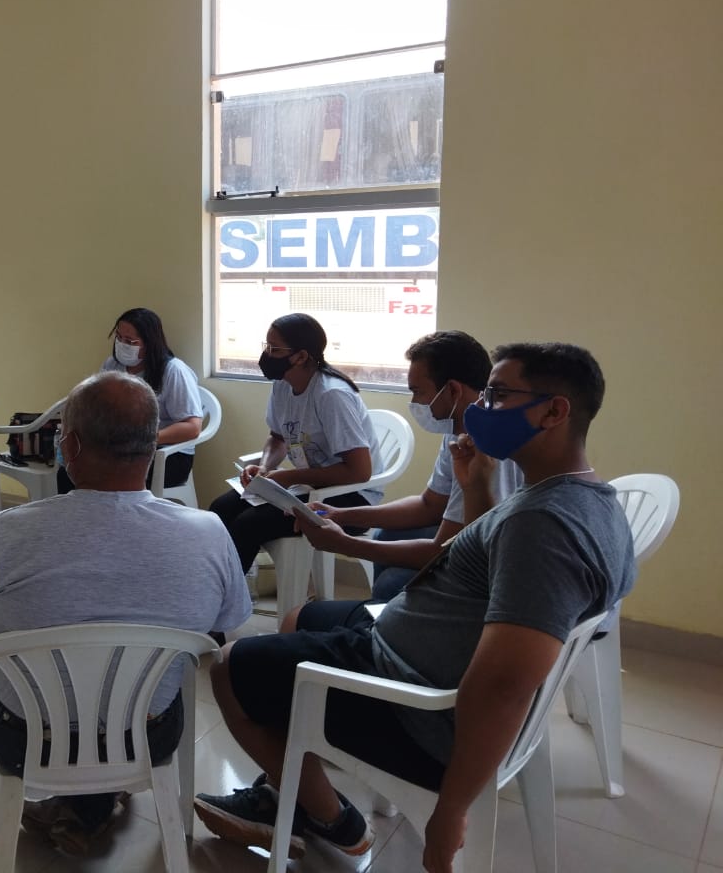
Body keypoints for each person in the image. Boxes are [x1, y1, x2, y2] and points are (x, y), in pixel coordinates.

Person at [194, 343, 636, 871]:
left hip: (414, 703)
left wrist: (450, 812)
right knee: (296, 624)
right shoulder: (585, 498)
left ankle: (332, 819)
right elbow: (487, 565)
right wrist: (479, 487)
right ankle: (288, 788)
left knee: (228, 669)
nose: (482, 408)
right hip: (406, 650)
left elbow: (503, 686)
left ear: (554, 411)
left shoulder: (544, 527)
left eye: (498, 396)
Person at [0, 372, 253, 855]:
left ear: (72, 447)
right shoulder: (208, 532)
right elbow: (224, 626)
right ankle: (94, 801)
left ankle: (78, 801)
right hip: (147, 735)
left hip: (25, 741)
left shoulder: (9, 531)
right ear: (152, 446)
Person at [294, 330, 525, 632]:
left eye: (418, 391)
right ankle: (383, 626)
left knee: (393, 582)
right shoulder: (458, 430)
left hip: (496, 566)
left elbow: (442, 549)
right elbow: (430, 504)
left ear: (453, 390)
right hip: (478, 546)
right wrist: (340, 514)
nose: (414, 402)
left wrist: (345, 544)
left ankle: (391, 636)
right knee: (385, 535)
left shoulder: (485, 446)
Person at [208, 312, 378, 578]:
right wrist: (265, 468)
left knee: (248, 525)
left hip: (351, 495)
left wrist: (288, 477)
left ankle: (226, 595)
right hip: (308, 487)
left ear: (301, 356)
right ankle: (212, 586)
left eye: (275, 349)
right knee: (221, 508)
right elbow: (277, 438)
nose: (267, 355)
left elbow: (359, 472)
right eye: (266, 346)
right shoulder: (283, 385)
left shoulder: (332, 395)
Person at [56, 307, 203, 494]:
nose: (122, 344)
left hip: (166, 453)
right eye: (118, 337)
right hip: (118, 447)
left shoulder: (174, 371)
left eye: (130, 341)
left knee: (104, 476)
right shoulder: (112, 365)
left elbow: (192, 428)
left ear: (149, 343)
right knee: (68, 472)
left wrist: (145, 439)